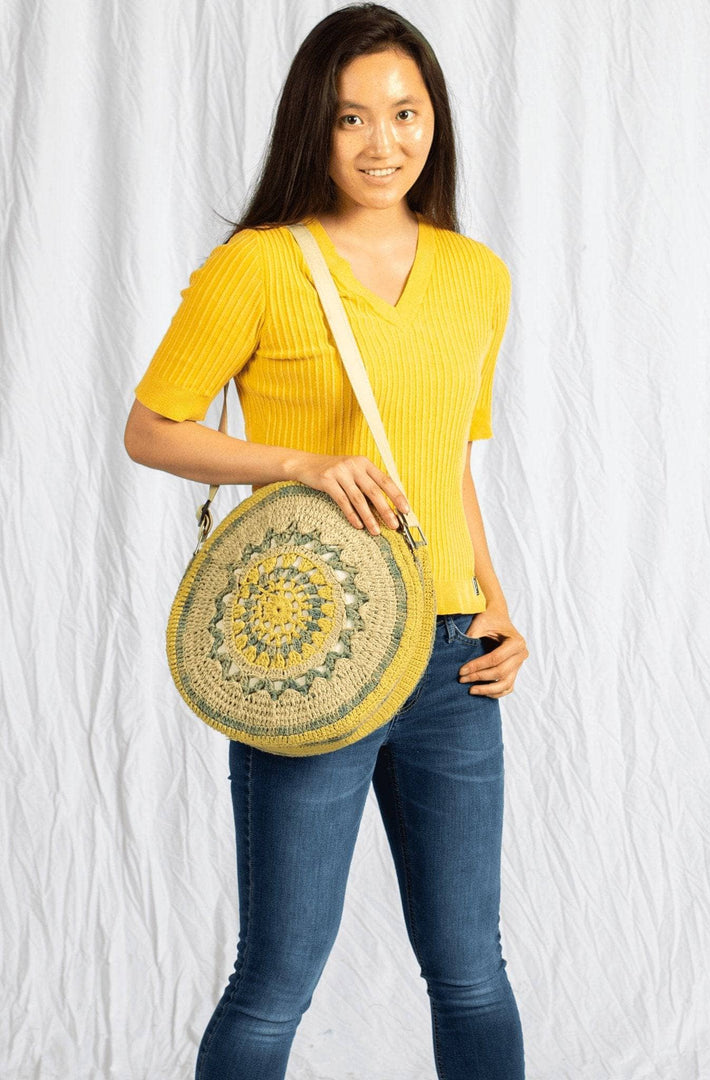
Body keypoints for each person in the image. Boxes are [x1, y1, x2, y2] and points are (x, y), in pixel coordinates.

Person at [123, 6, 528, 1078]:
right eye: (352, 117)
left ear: (434, 119)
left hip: (450, 657)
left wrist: (499, 600)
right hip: (314, 650)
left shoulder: (478, 275)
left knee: (472, 969)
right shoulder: (260, 266)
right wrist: (298, 464)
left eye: (404, 112)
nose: (382, 141)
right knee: (275, 983)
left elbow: (447, 467)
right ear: (316, 124)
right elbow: (150, 429)